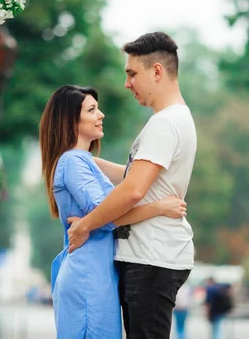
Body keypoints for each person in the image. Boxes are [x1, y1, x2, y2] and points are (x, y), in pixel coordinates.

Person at [67, 32, 197, 338]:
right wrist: (83, 158)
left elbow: (133, 190)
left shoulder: (164, 123)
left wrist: (86, 225)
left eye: (132, 74)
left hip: (151, 258)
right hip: (152, 257)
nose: (128, 84)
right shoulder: (174, 119)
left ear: (156, 72)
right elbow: (133, 176)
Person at [40, 85, 188, 339]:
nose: (101, 115)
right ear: (71, 120)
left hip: (98, 275)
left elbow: (130, 177)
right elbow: (110, 214)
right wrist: (159, 207)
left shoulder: (81, 160)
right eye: (92, 109)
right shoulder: (73, 162)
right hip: (88, 276)